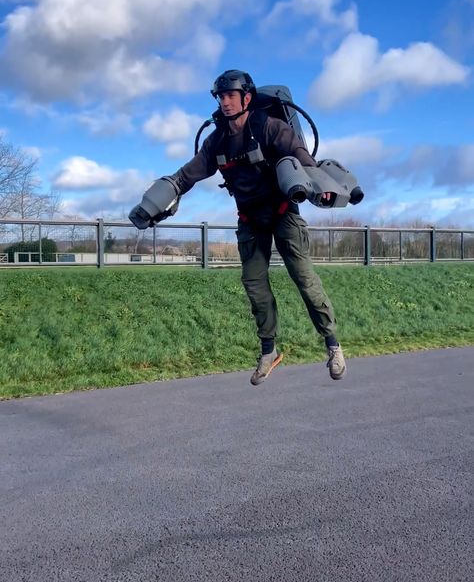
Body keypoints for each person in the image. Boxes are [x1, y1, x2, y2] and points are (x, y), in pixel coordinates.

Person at [143, 69, 346, 385]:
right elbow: (187, 175)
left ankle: (332, 344)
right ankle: (269, 351)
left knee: (305, 279)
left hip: (283, 213)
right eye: (220, 97)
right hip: (251, 220)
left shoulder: (269, 127)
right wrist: (156, 201)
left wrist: (318, 182)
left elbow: (300, 156)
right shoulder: (217, 141)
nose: (224, 102)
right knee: (255, 286)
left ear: (246, 98)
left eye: (230, 96)